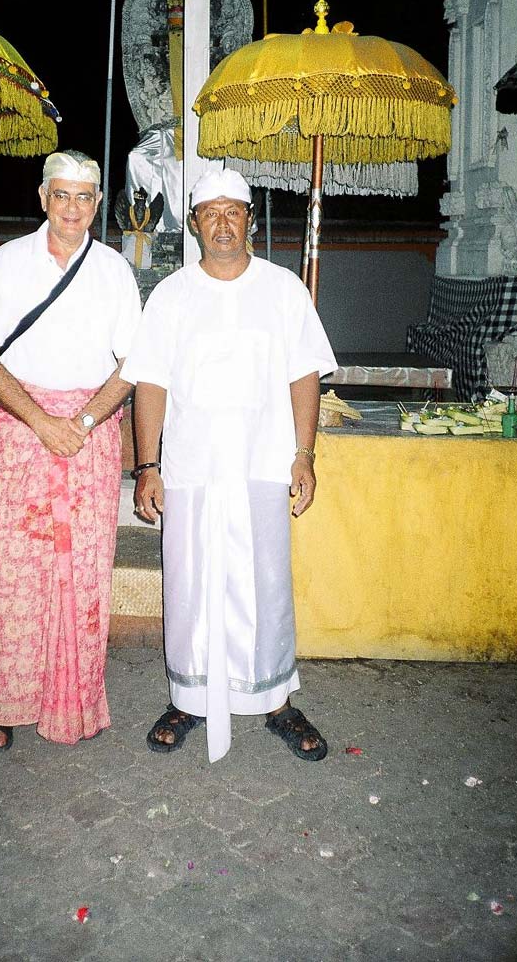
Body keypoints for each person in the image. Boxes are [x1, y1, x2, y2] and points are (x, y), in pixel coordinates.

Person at [121, 169, 336, 763]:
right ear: (193, 222)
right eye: (210, 212)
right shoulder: (171, 295)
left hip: (263, 464)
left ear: (251, 221)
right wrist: (148, 465)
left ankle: (276, 701)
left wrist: (304, 454)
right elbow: (151, 385)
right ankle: (187, 698)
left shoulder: (283, 289)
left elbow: (304, 375)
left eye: (233, 212)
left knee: (266, 583)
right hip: (190, 467)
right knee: (189, 583)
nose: (222, 223)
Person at [0, 150, 141, 752]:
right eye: (61, 195)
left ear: (97, 203)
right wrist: (42, 421)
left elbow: (133, 364)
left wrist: (86, 419)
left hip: (89, 433)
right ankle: (4, 704)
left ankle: (76, 698)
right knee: (12, 570)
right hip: (19, 431)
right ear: (42, 198)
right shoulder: (9, 261)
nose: (72, 208)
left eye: (84, 197)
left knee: (81, 571)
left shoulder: (114, 268)